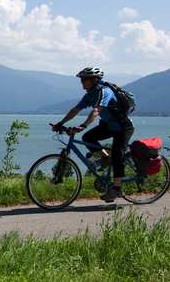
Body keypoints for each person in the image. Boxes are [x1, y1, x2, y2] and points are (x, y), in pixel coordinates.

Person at [51, 67, 134, 202]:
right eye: (82, 79)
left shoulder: (104, 91)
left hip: (123, 127)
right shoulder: (90, 94)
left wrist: (83, 125)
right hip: (108, 126)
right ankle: (106, 158)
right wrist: (60, 123)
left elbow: (96, 111)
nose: (82, 82)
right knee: (87, 137)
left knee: (118, 154)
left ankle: (117, 189)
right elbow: (75, 110)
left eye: (84, 79)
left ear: (94, 80)